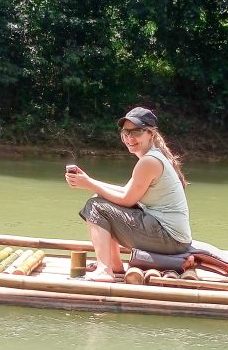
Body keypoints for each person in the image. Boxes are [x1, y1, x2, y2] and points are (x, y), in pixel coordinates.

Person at [65, 107, 191, 281]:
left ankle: (104, 270)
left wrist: (88, 184)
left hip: (170, 240)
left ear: (151, 134)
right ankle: (114, 265)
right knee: (99, 199)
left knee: (96, 207)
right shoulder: (151, 157)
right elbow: (125, 192)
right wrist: (88, 180)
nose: (130, 138)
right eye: (126, 132)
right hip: (172, 237)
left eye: (137, 132)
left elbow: (126, 200)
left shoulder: (149, 162)